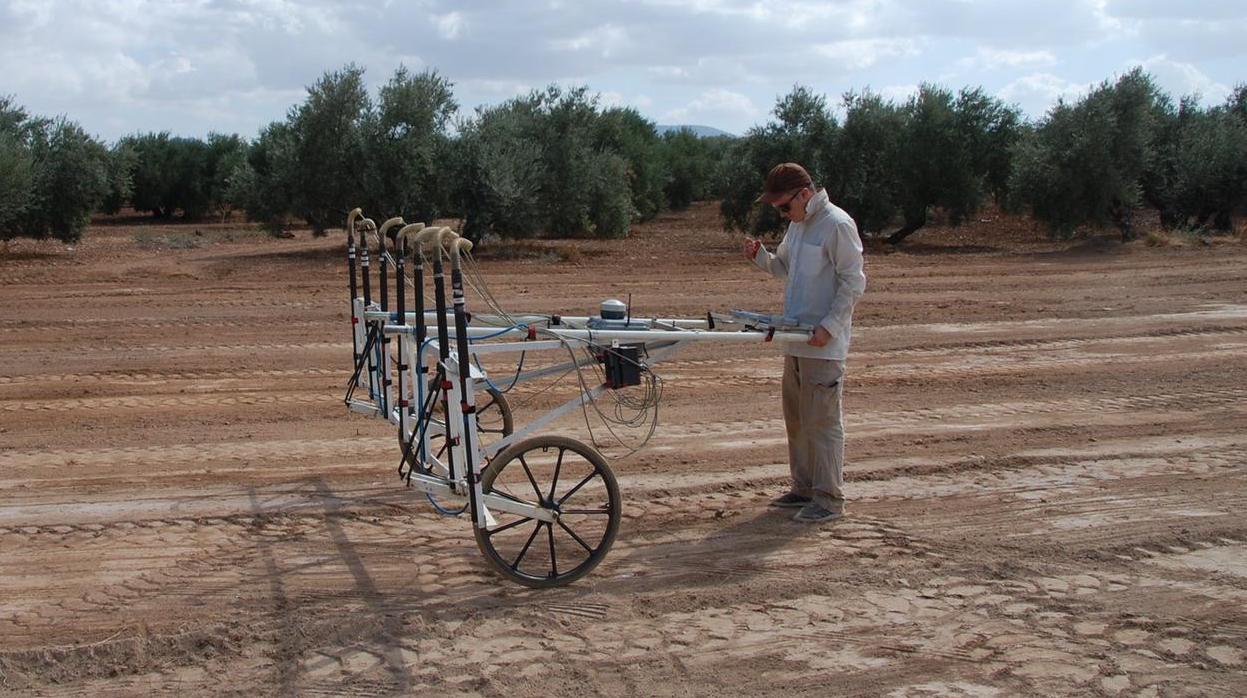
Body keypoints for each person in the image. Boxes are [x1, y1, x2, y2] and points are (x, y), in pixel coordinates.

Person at [744, 162, 866, 523]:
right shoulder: (798, 228)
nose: (783, 214)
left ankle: (829, 498)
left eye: (785, 206)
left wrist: (829, 327)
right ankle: (804, 488)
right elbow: (784, 268)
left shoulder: (837, 225)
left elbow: (853, 283)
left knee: (823, 422)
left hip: (822, 345)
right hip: (794, 339)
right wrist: (761, 258)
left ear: (805, 196)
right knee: (796, 419)